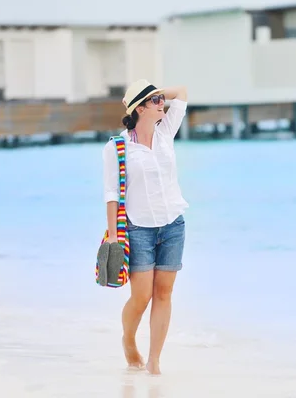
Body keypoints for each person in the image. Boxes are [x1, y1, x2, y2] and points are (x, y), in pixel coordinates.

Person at [102, 79, 189, 375]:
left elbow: (183, 92)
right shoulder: (118, 147)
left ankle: (154, 361)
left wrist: (155, 89)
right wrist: (113, 237)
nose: (161, 103)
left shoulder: (166, 132)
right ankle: (128, 338)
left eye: (160, 99)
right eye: (153, 101)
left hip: (173, 225)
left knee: (164, 294)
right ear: (139, 109)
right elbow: (111, 194)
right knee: (142, 297)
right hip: (139, 229)